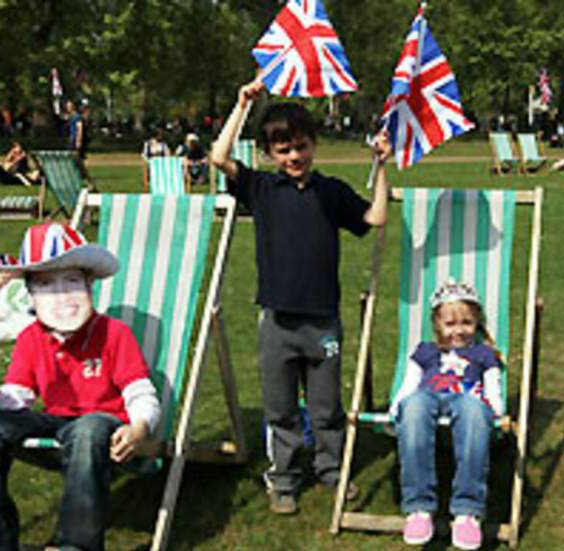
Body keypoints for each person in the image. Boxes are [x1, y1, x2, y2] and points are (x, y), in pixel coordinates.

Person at [210, 74, 391, 515]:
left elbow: (375, 217)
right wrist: (242, 104)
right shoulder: (261, 188)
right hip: (276, 321)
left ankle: (332, 471)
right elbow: (218, 157)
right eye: (283, 149)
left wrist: (383, 165)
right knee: (281, 409)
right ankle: (285, 480)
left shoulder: (331, 192)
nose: (294, 156)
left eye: (301, 146)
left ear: (313, 144)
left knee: (327, 406)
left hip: (322, 321)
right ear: (271, 154)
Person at [0, 221, 160, 551]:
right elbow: (19, 398)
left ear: (89, 285)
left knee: (88, 428)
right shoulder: (31, 338)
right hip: (56, 424)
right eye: (46, 285)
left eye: (71, 282)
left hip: (104, 425)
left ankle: (75, 546)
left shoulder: (113, 333)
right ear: (31, 294)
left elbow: (139, 391)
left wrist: (140, 427)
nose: (61, 295)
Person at [389, 280, 503, 550]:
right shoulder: (427, 351)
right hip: (428, 395)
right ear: (437, 324)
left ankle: (467, 511)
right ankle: (419, 508)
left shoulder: (483, 353)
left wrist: (496, 407)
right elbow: (410, 382)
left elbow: (492, 384)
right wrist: (398, 405)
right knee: (414, 407)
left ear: (477, 322)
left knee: (475, 410)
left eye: (467, 323)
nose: (459, 331)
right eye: (450, 324)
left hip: (467, 398)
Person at [65, 100, 88, 179]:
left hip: (76, 140)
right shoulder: (71, 117)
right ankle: (77, 173)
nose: (68, 108)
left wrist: (78, 140)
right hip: (72, 139)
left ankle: (82, 174)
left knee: (78, 158)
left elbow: (80, 128)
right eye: (67, 106)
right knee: (73, 158)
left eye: (69, 106)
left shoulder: (77, 117)